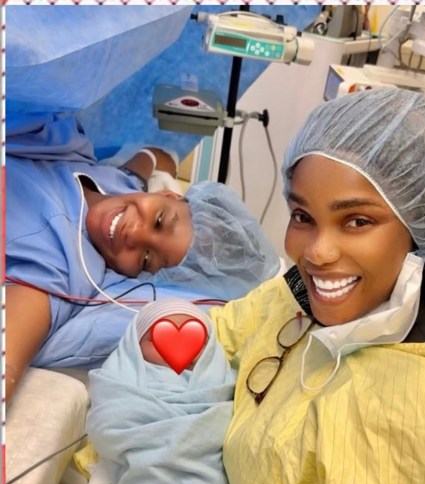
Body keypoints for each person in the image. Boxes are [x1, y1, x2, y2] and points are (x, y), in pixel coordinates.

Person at [85, 88, 425, 484]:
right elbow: (190, 344)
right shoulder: (297, 299)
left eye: (357, 221)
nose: (317, 252)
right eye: (303, 216)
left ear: (423, 227)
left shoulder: (417, 414)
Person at [5, 113, 279, 398]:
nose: (135, 233)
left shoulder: (60, 270)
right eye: (159, 221)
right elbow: (150, 161)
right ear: (170, 195)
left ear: (137, 277)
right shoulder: (114, 179)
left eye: (147, 259)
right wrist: (159, 159)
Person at [84, 299, 253, 484]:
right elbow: (109, 427)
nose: (176, 350)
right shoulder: (122, 383)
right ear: (133, 347)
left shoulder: (222, 382)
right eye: (156, 338)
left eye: (195, 336)